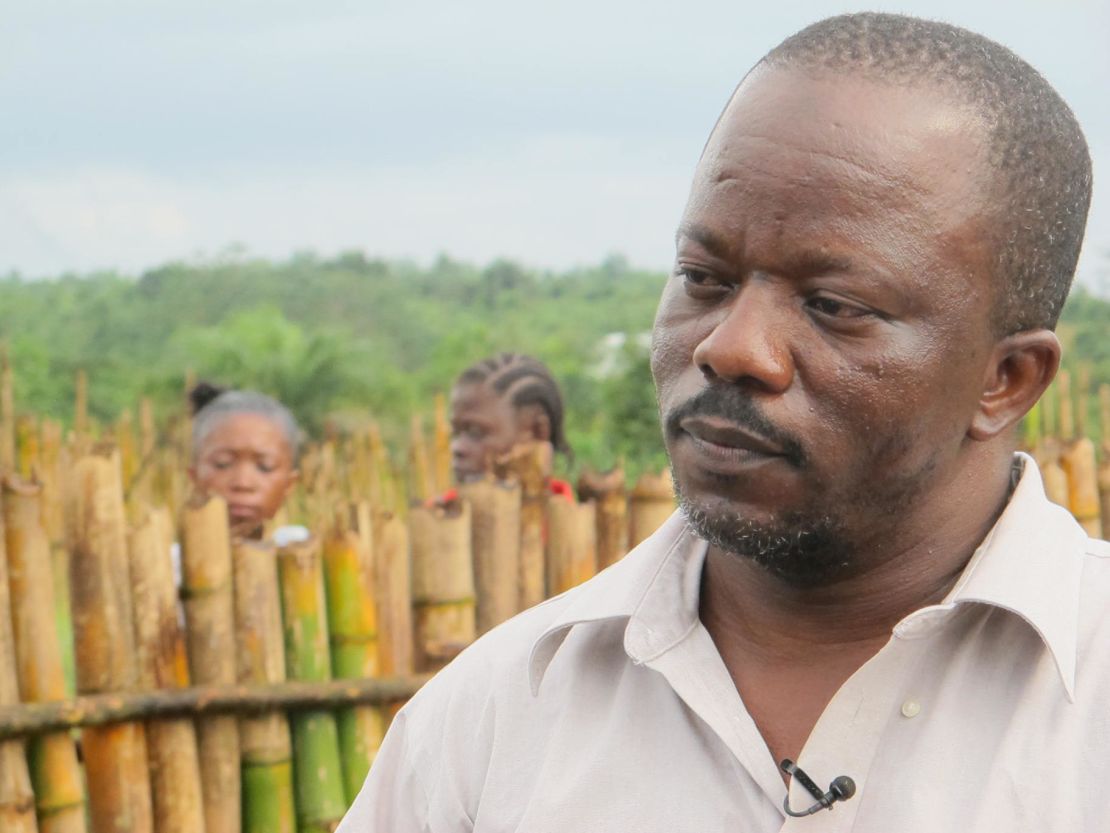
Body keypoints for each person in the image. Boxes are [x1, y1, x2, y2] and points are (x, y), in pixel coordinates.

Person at [338, 13, 1105, 832]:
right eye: (704, 277)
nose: (730, 347)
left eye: (833, 305)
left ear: (1007, 378)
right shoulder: (491, 720)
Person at [447, 352, 574, 499]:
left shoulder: (583, 521)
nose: (456, 448)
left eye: (476, 432)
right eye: (455, 433)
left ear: (537, 432)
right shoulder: (433, 517)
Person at [187, 382, 302, 541]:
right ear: (194, 476)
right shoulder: (168, 563)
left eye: (264, 467)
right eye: (223, 463)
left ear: (290, 484)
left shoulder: (304, 552)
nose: (243, 483)